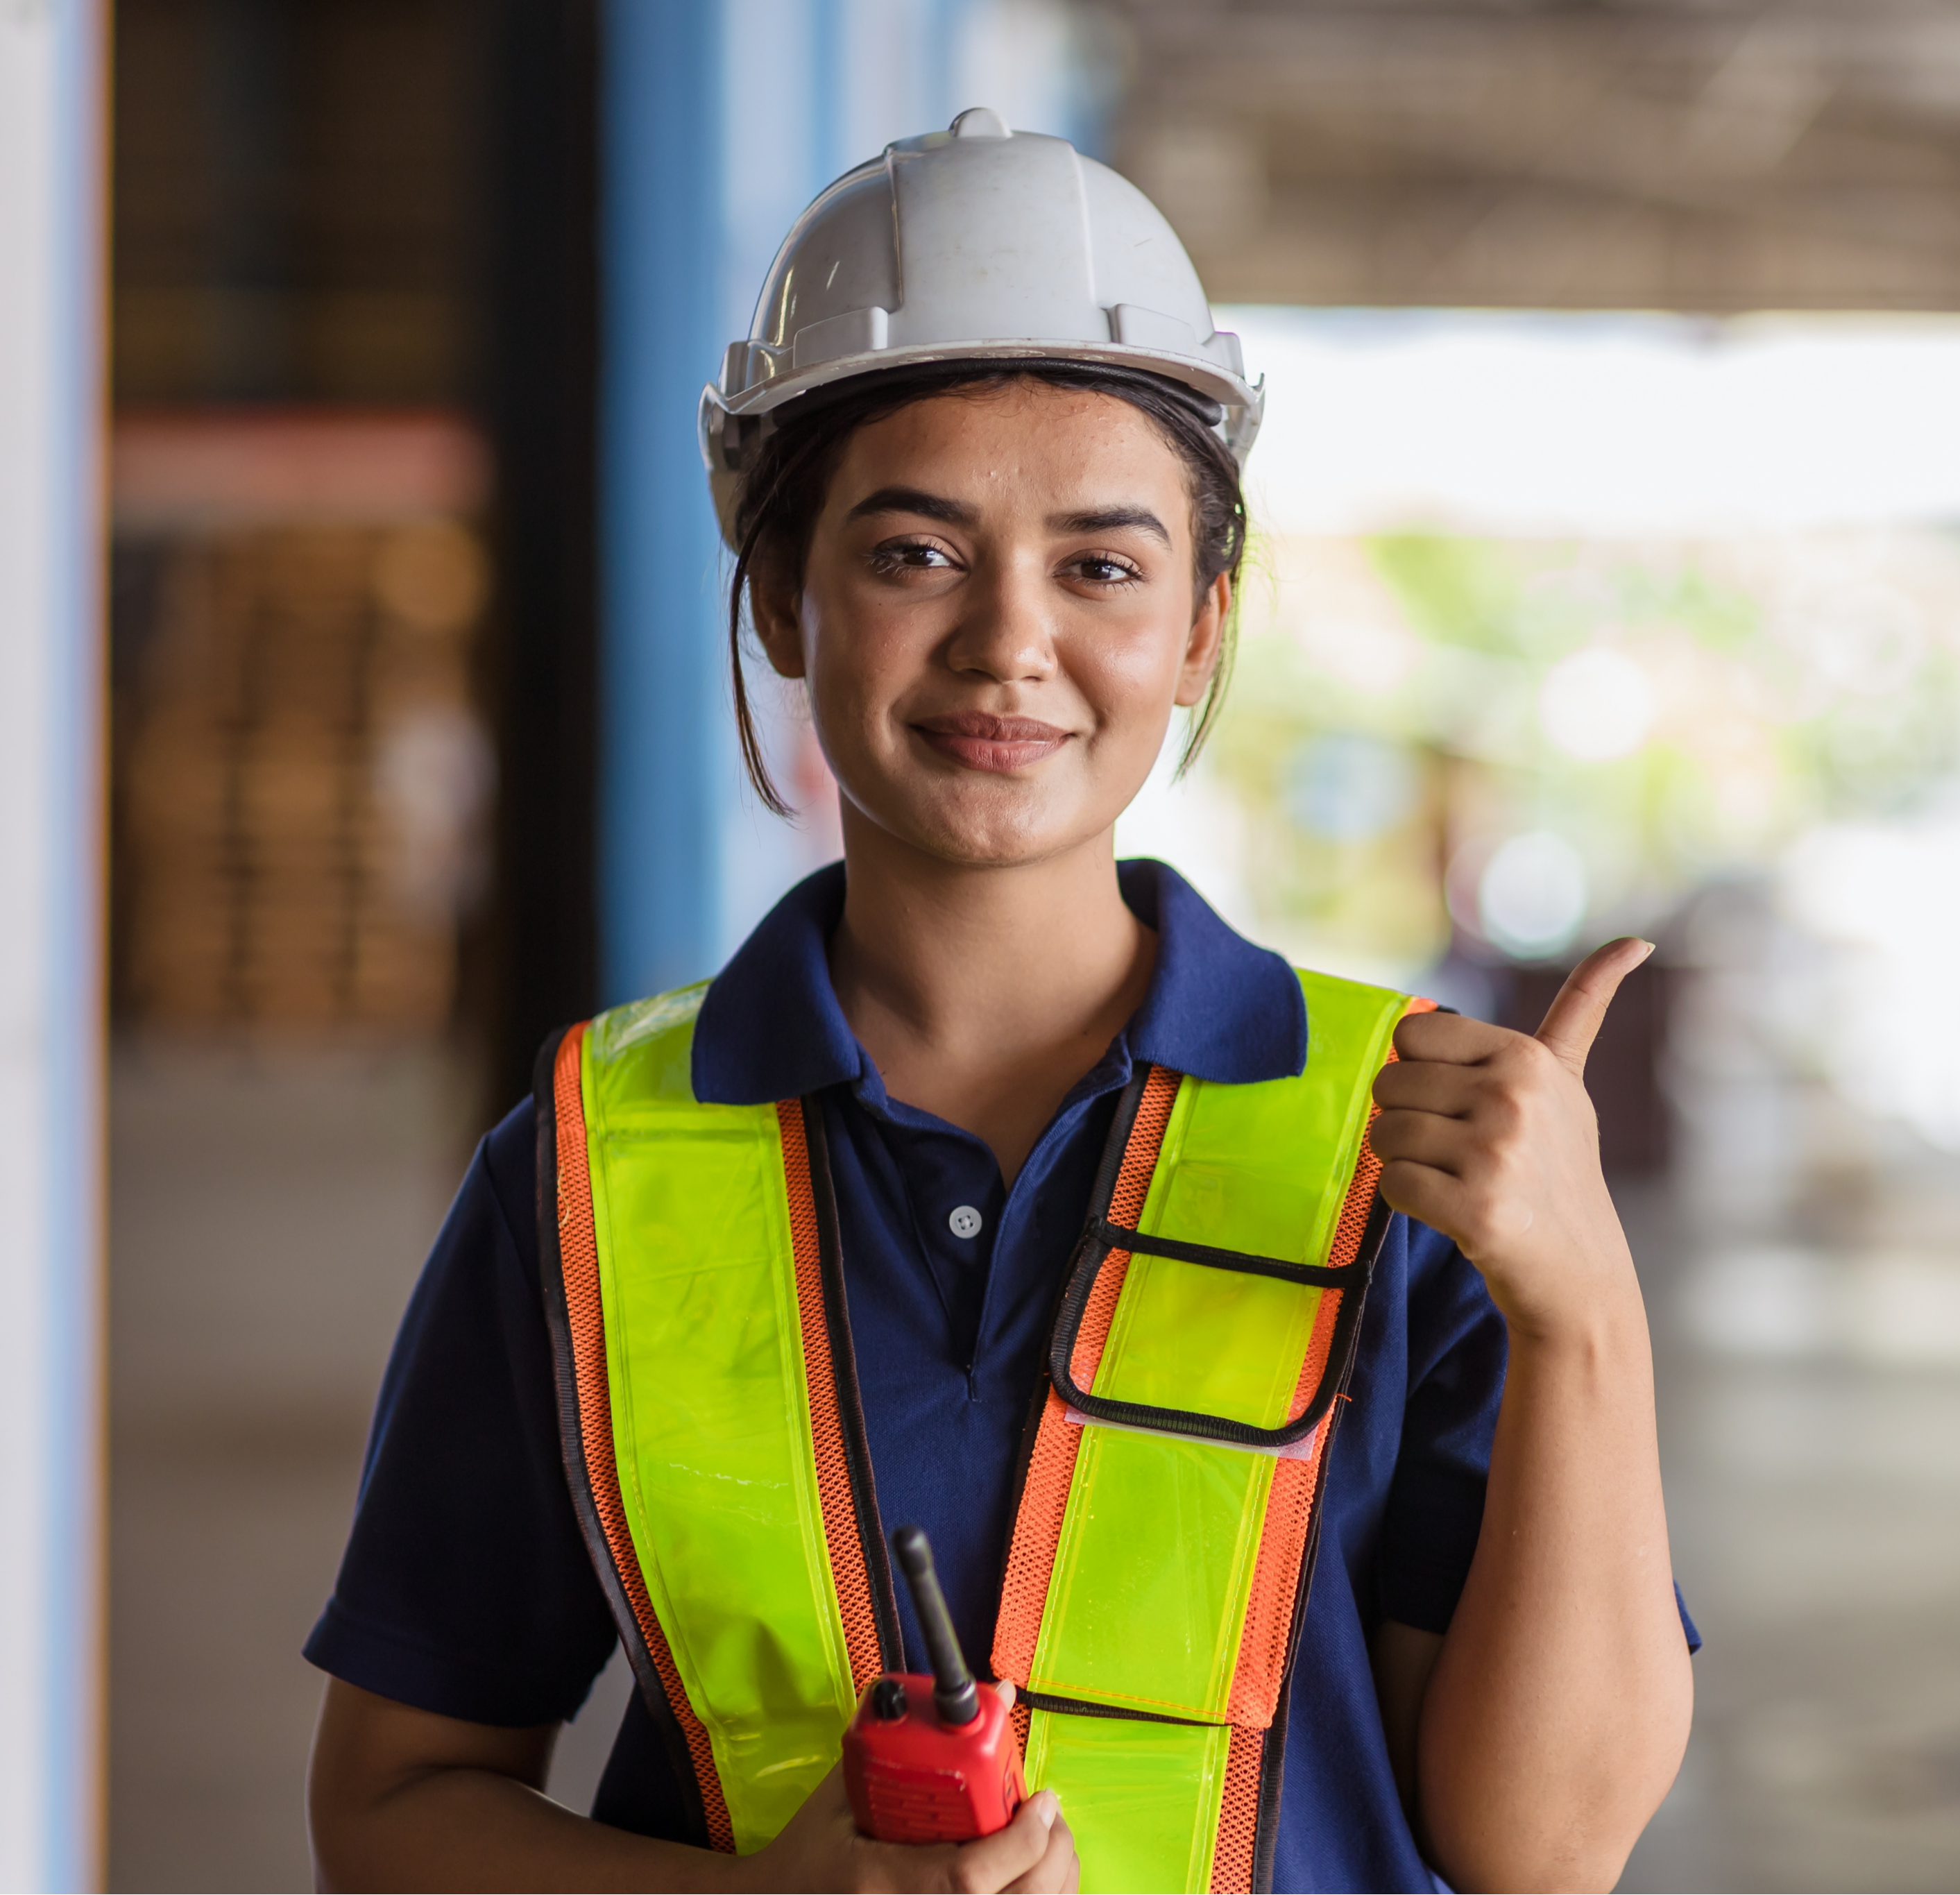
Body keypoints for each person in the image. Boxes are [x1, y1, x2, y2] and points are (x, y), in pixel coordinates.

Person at [304, 112, 1695, 1895]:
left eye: (1102, 566)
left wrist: (1581, 1308)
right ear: (786, 603)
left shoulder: (1404, 1145)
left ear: (1200, 624)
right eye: (913, 552)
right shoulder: (591, 1166)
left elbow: (1542, 1852)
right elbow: (390, 1811)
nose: (1007, 644)